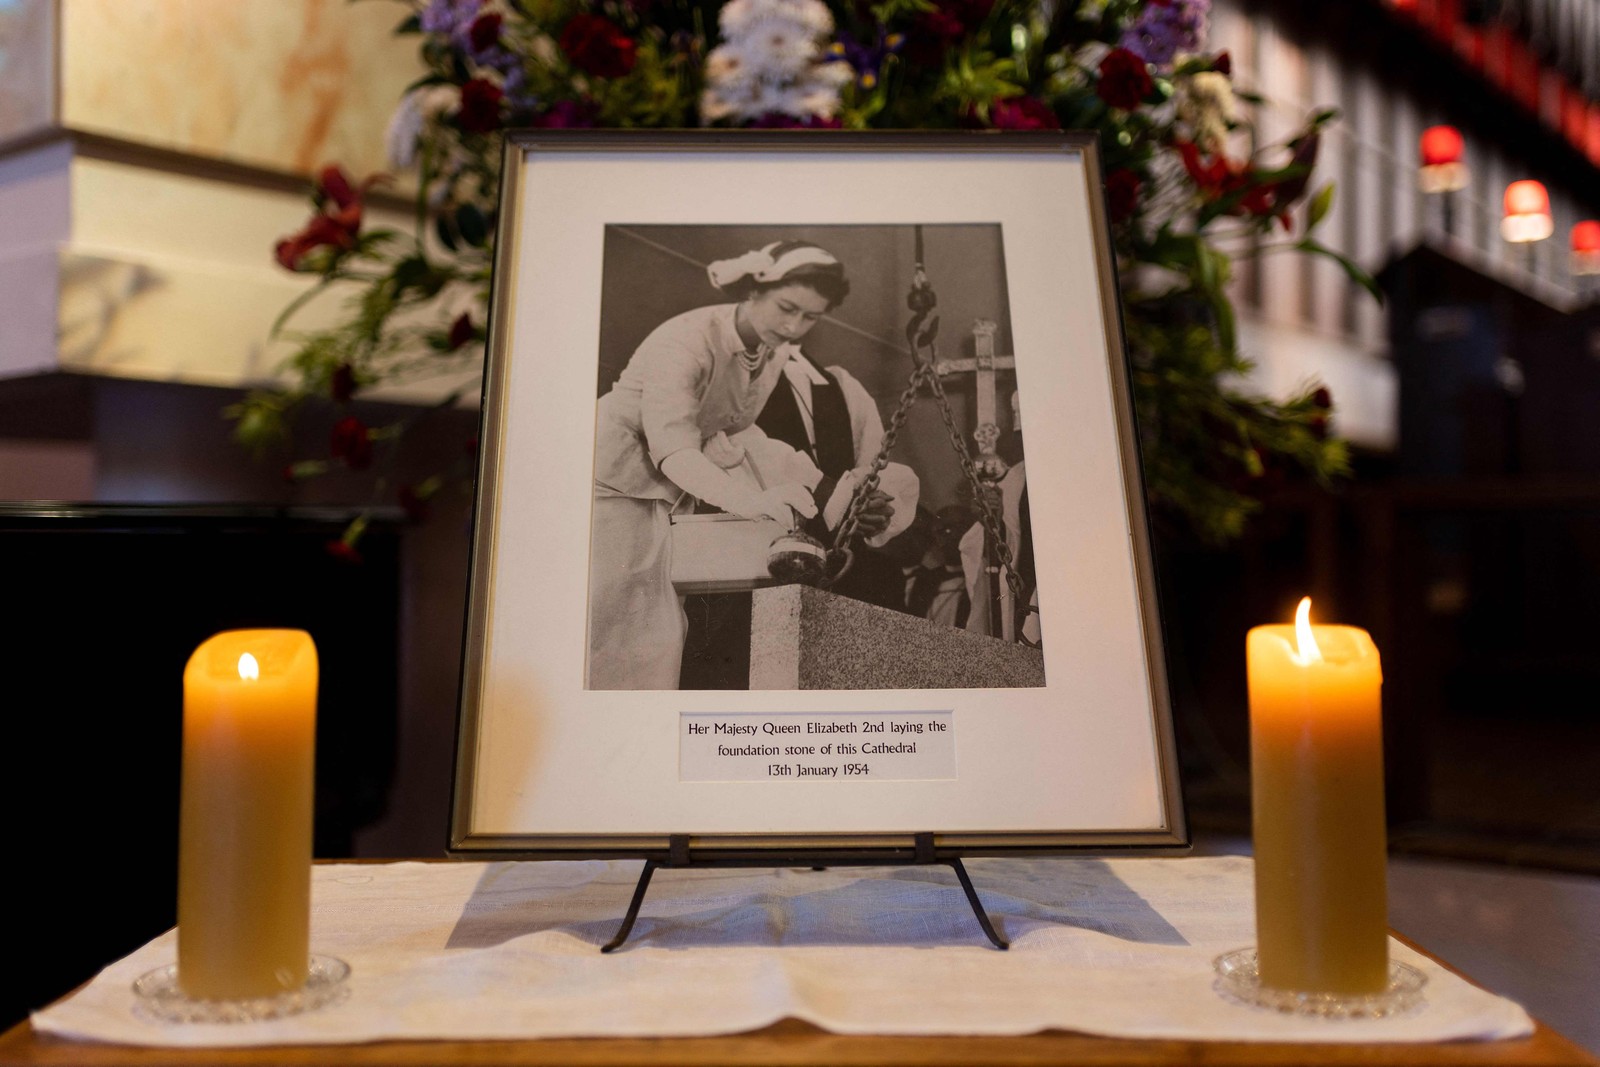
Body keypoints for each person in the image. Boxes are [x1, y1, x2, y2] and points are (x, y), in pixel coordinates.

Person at [588, 240, 850, 690]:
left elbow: (732, 429)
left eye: (810, 317)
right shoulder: (685, 342)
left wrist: (814, 488)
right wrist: (753, 500)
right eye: (786, 308)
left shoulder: (772, 351)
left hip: (664, 495)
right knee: (604, 624)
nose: (793, 326)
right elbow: (674, 449)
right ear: (752, 292)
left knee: (659, 636)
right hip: (606, 491)